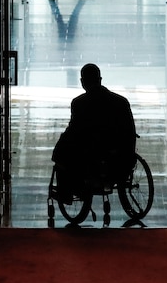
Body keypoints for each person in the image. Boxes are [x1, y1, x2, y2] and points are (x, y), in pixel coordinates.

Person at [52, 63, 136, 200]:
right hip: (120, 156)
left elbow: (74, 130)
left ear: (82, 82)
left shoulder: (79, 103)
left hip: (93, 155)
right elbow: (130, 130)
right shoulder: (121, 101)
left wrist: (61, 144)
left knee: (61, 153)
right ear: (100, 79)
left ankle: (66, 191)